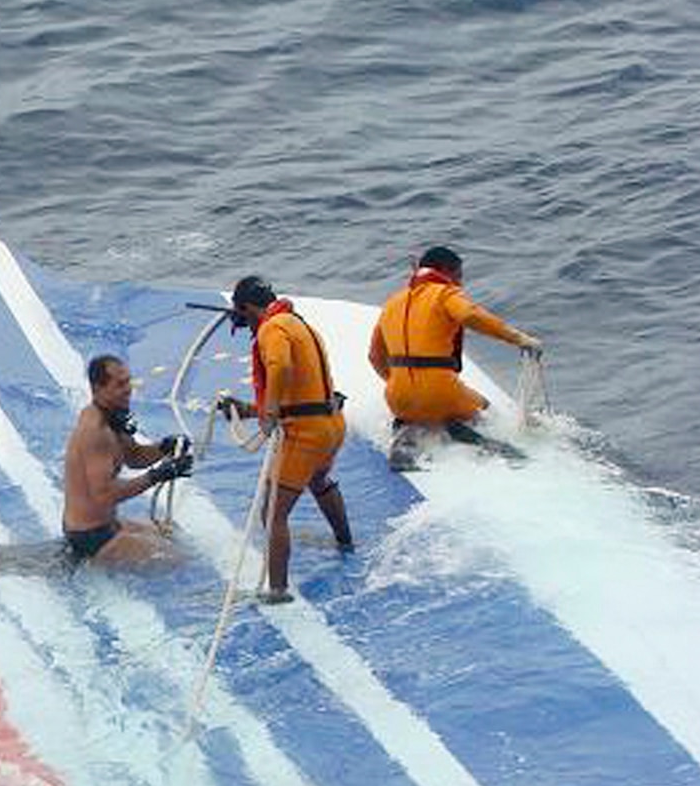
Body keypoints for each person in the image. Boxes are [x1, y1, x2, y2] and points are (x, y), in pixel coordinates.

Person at [230, 275, 355, 605]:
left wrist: (269, 411)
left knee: (272, 512)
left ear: (248, 308)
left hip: (306, 434)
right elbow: (302, 390)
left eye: (243, 317)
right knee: (319, 479)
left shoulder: (272, 329)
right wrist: (246, 409)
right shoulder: (299, 323)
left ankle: (277, 590)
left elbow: (281, 365)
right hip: (332, 425)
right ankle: (346, 543)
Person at [368, 245, 542, 468]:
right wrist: (518, 338)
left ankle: (408, 435)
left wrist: (399, 383)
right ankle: (462, 431)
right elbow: (469, 314)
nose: (460, 284)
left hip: (396, 398)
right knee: (485, 409)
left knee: (418, 412)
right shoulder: (445, 293)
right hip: (441, 393)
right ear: (445, 272)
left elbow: (374, 356)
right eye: (459, 276)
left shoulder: (392, 303)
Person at [60, 352, 193, 564]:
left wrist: (164, 447)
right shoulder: (95, 431)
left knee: (170, 533)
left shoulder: (113, 416)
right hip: (92, 537)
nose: (128, 390)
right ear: (98, 389)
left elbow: (134, 456)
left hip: (107, 523)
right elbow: (104, 495)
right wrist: (157, 476)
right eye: (120, 385)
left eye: (128, 382)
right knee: (178, 560)